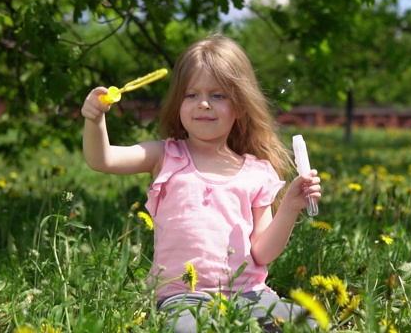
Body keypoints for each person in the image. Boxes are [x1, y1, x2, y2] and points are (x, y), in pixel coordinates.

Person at [81, 33, 322, 332]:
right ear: (178, 102)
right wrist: (95, 120)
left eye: (218, 95)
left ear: (241, 105)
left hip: (249, 295)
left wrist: (289, 208)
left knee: (309, 321)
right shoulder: (165, 155)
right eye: (191, 94)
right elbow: (102, 159)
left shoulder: (257, 172)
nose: (203, 104)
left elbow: (262, 253)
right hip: (183, 297)